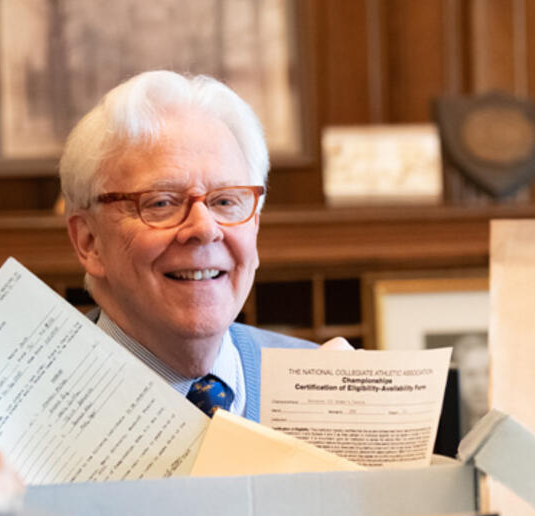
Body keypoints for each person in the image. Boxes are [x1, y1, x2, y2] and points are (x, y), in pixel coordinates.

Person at [60, 70, 344, 422]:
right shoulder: (7, 421)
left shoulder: (326, 387)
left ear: (254, 222)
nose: (205, 229)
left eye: (225, 202)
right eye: (161, 203)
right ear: (89, 242)